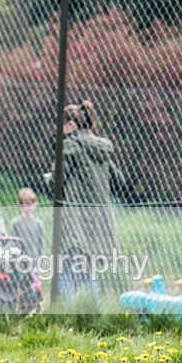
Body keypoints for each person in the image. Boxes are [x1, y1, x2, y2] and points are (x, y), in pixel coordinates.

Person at [46, 101, 124, 300]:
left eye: (62, 125)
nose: (59, 130)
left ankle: (64, 314)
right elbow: (119, 181)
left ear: (71, 125)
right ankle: (90, 312)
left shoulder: (70, 145)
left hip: (73, 217)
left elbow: (57, 182)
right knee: (87, 270)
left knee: (65, 266)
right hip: (97, 220)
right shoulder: (101, 149)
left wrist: (48, 180)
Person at [10, 187, 45, 261]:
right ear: (20, 204)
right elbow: (12, 243)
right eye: (25, 203)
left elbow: (41, 245)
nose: (28, 207)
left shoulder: (38, 223)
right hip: (19, 260)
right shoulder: (16, 223)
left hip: (34, 260)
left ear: (36, 204)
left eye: (31, 203)